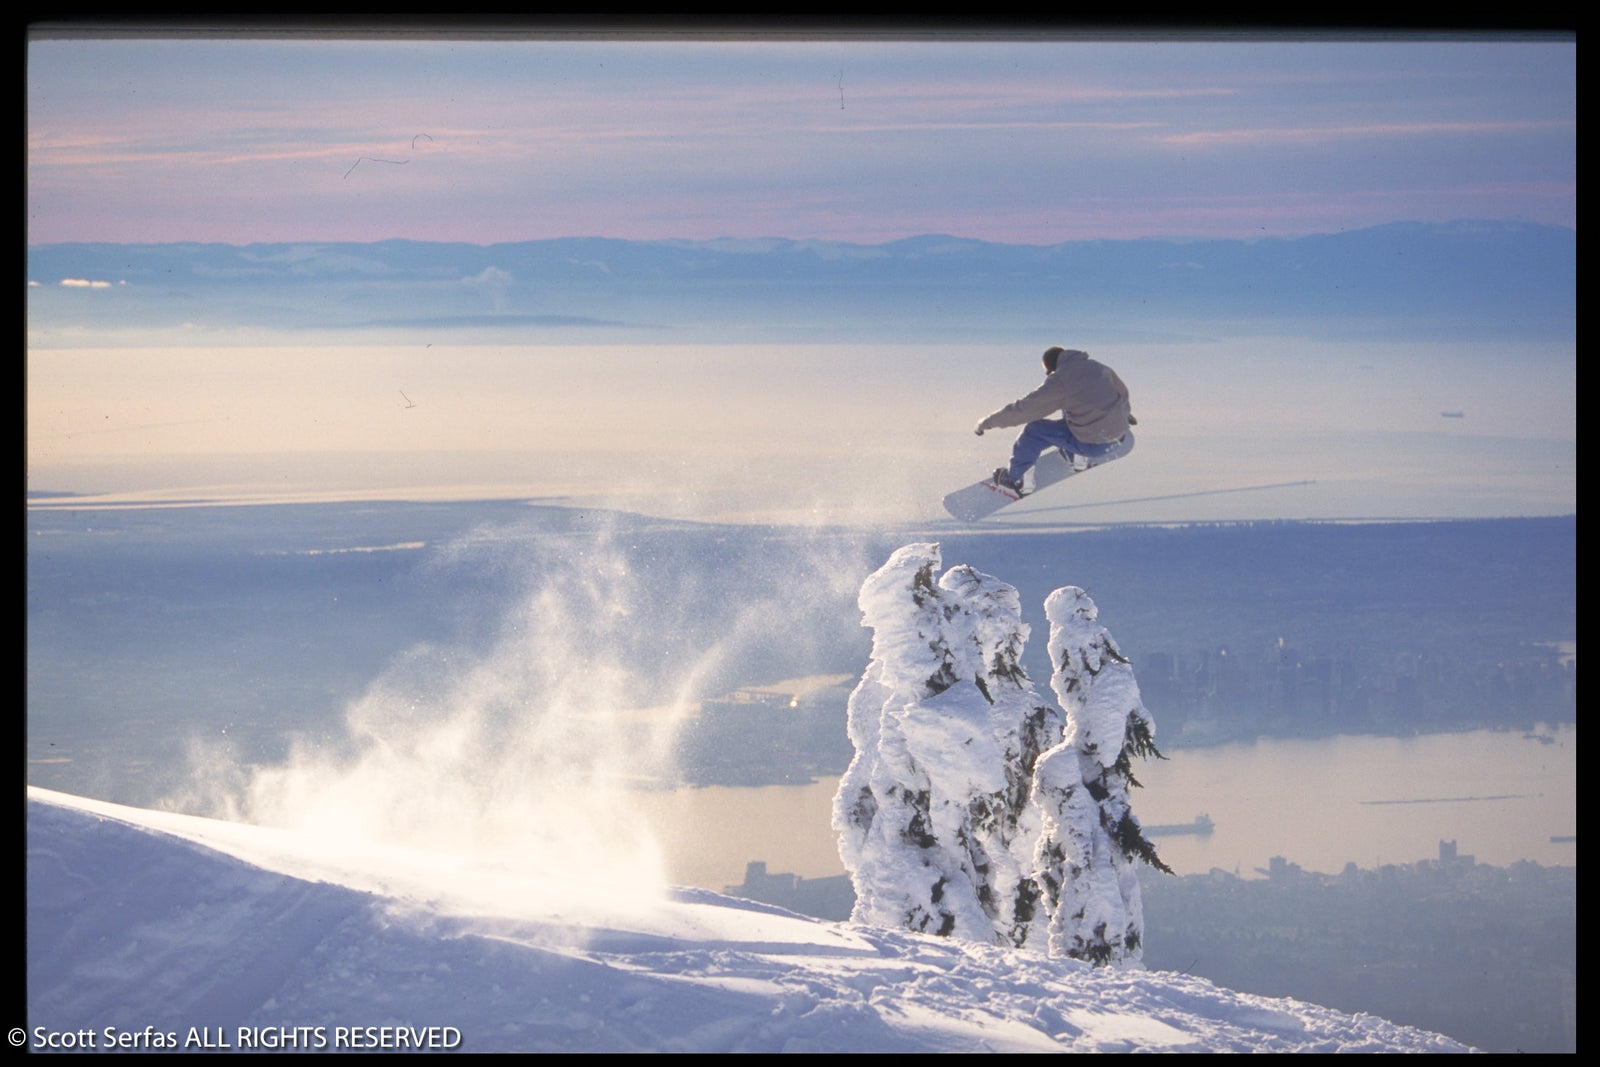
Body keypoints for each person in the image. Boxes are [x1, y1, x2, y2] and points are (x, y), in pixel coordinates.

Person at [974, 346, 1135, 495]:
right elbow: (1121, 393)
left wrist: (987, 422)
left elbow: (1024, 410)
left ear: (1051, 367)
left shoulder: (1059, 381)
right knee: (1072, 404)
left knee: (1034, 431)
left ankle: (1018, 480)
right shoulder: (1098, 367)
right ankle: (1076, 457)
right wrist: (1126, 416)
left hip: (1093, 445)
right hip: (1119, 436)